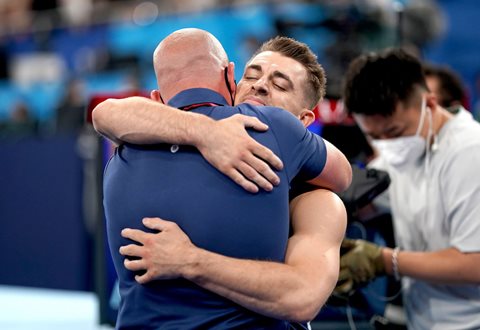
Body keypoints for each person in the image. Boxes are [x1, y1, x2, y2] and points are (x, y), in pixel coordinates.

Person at [97, 29, 351, 329]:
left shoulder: (316, 200)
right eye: (252, 75)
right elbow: (107, 113)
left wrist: (190, 260)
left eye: (280, 84)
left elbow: (303, 297)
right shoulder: (159, 133)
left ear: (304, 122)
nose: (260, 86)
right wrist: (206, 132)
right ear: (232, 81)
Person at [337, 48, 480, 330]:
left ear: (429, 103)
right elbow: (364, 203)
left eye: (393, 132)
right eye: (373, 136)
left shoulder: (469, 154)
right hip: (423, 321)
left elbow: (474, 262)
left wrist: (383, 260)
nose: (386, 144)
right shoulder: (400, 152)